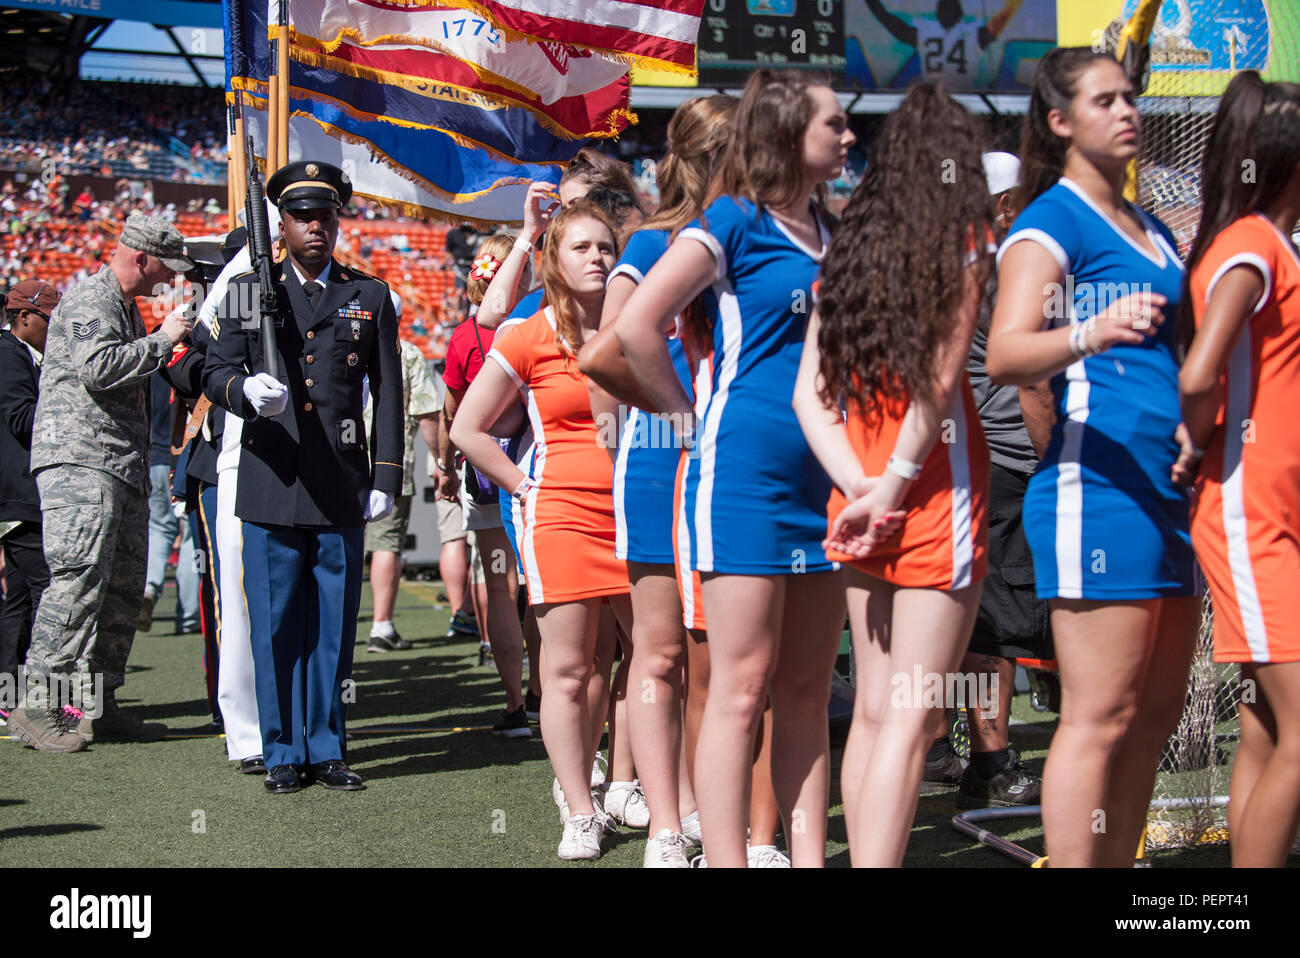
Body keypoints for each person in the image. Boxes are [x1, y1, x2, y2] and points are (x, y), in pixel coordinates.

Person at [616, 70, 856, 867]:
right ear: (791, 134)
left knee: (807, 693)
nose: (850, 137)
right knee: (741, 686)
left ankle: (809, 858)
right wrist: (684, 417)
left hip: (829, 477)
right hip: (744, 478)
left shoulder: (837, 228)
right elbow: (638, 327)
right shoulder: (734, 221)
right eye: (836, 124)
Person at [986, 48, 1200, 867]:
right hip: (1095, 490)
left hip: (1167, 490)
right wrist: (1090, 333)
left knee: (1156, 713)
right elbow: (1007, 353)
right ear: (1060, 121)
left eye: (1130, 97)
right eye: (1106, 100)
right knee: (1098, 714)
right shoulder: (1050, 222)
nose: (1128, 111)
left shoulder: (1146, 227)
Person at [794, 84, 992, 866]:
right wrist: (897, 485)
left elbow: (810, 398)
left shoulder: (845, 249)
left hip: (859, 496)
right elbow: (939, 384)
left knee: (877, 711)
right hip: (933, 494)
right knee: (909, 715)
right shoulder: (965, 237)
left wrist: (861, 487)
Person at [202, 160, 403, 794]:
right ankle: (281, 747)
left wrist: (388, 475)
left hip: (341, 479)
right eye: (301, 216)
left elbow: (389, 392)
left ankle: (327, 745)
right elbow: (210, 371)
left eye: (326, 215)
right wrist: (241, 390)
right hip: (271, 479)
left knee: (333, 628)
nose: (316, 226)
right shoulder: (246, 291)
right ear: (280, 224)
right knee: (276, 621)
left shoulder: (367, 294)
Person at [577, 94, 737, 867]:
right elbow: (607, 358)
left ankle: (714, 805)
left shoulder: (760, 237)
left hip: (734, 469)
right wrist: (665, 421)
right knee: (661, 651)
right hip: (659, 462)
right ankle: (667, 823)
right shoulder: (652, 241)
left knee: (722, 657)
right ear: (707, 157)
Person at [451, 200, 632, 860]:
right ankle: (579, 807)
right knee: (569, 667)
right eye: (581, 247)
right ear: (554, 260)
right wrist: (526, 486)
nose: (597, 258)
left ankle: (638, 788)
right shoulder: (528, 335)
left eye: (606, 247)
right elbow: (467, 429)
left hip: (638, 512)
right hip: (559, 515)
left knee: (648, 661)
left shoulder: (640, 326)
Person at [8, 212, 193, 752]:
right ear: (141, 258)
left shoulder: (121, 305)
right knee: (78, 579)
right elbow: (96, 367)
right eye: (165, 268)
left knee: (119, 588)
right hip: (80, 461)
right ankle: (42, 707)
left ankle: (97, 703)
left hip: (116, 463)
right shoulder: (92, 298)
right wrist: (164, 340)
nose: (168, 279)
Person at [1179, 72, 1300, 868]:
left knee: (1263, 721)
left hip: (1270, 510)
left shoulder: (1269, 238)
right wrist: (1194, 441)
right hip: (1250, 514)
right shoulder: (1252, 242)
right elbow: (1198, 374)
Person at [943, 151, 1047, 810]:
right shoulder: (1001, 266)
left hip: (980, 461)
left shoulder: (959, 260)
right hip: (1010, 459)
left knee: (978, 624)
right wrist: (1059, 455)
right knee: (997, 630)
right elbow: (1034, 383)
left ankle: (966, 748)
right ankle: (990, 759)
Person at [439, 233, 532, 736]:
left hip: (488, 473)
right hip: (538, 468)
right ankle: (542, 695)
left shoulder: (463, 338)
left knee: (500, 586)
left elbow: (455, 412)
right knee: (541, 589)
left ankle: (516, 704)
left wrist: (445, 464)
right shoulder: (540, 323)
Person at [363, 292, 444, 653]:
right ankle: (381, 624)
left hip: (340, 462)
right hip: (389, 464)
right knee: (386, 545)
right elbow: (427, 414)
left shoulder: (344, 341)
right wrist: (442, 461)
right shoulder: (407, 354)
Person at [0, 281, 60, 711]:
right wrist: (63, 403)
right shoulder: (8, 354)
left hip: (18, 494)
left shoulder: (17, 353)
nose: (54, 331)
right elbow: (23, 419)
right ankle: (45, 700)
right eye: (49, 322)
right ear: (23, 318)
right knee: (48, 592)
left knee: (20, 597)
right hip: (18, 493)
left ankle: (8, 699)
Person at [139, 367, 200, 634]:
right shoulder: (185, 365)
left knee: (159, 529)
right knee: (188, 535)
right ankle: (189, 615)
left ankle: (149, 588)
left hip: (154, 457)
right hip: (181, 457)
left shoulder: (151, 369)